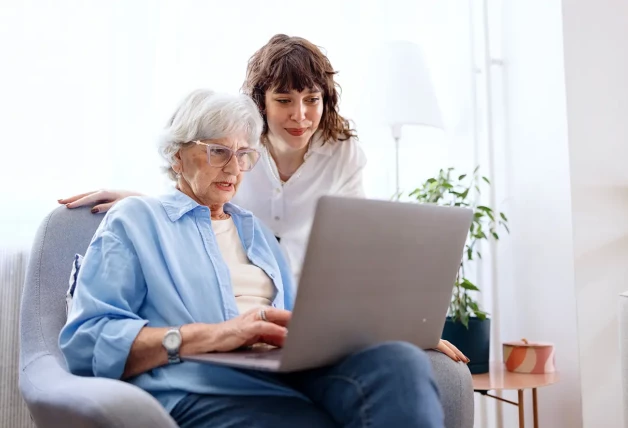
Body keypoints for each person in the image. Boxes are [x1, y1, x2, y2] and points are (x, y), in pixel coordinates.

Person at [59, 89, 466, 428]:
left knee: (400, 364)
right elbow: (86, 339)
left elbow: (297, 325)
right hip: (199, 385)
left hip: (283, 375)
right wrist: (212, 335)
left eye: (244, 155)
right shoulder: (136, 221)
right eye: (219, 151)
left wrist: (391, 330)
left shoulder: (256, 233)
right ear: (177, 156)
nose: (234, 168)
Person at [59, 34, 366, 278]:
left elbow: (358, 234)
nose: (300, 115)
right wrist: (142, 204)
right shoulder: (239, 146)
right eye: (284, 100)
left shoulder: (342, 152)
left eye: (312, 100)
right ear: (261, 102)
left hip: (303, 292)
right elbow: (193, 199)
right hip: (239, 283)